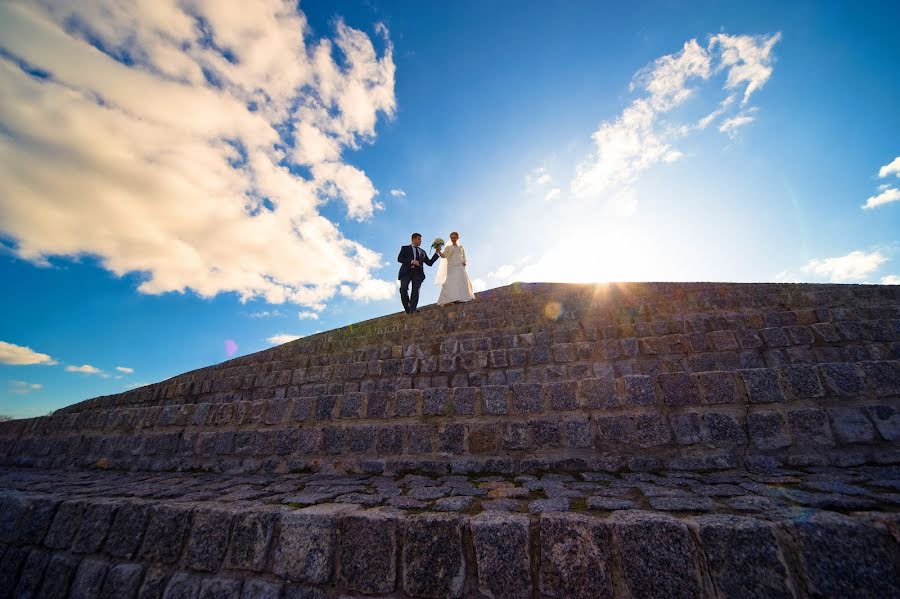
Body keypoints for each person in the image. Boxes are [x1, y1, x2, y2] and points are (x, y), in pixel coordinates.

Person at [397, 232, 440, 314]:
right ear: (413, 239)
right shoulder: (405, 248)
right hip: (406, 272)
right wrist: (411, 261)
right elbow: (399, 259)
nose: (421, 241)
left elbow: (429, 263)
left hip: (418, 273)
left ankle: (413, 309)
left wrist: (436, 253)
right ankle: (407, 308)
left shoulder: (422, 252)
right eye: (419, 239)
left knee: (416, 291)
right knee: (403, 289)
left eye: (421, 240)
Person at [435, 231, 476, 305]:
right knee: (451, 281)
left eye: (454, 237)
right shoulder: (448, 247)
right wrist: (439, 252)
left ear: (457, 238)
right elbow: (444, 256)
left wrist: (464, 262)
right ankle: (453, 298)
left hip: (460, 265)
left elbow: (463, 256)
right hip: (451, 266)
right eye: (451, 238)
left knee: (461, 280)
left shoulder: (461, 247)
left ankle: (462, 297)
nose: (453, 239)